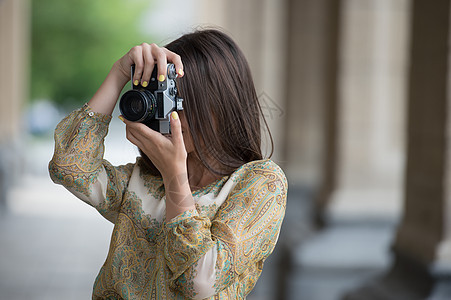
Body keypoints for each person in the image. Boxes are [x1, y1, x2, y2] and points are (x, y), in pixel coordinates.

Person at [49, 29, 287, 300]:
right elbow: (69, 167)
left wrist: (175, 176)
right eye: (162, 100)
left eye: (177, 101)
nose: (168, 113)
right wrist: (118, 74)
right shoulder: (145, 178)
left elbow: (198, 281)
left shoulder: (260, 182)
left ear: (221, 105)